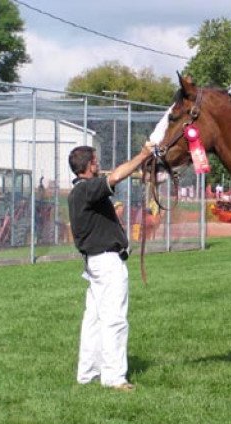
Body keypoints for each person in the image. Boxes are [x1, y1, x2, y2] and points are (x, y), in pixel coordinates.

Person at [67, 143, 152, 391]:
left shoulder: (79, 192)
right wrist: (143, 154)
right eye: (96, 161)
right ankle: (114, 378)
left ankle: (87, 373)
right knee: (114, 319)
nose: (99, 165)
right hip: (107, 263)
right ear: (90, 165)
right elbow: (115, 176)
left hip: (95, 263)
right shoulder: (88, 189)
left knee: (93, 320)